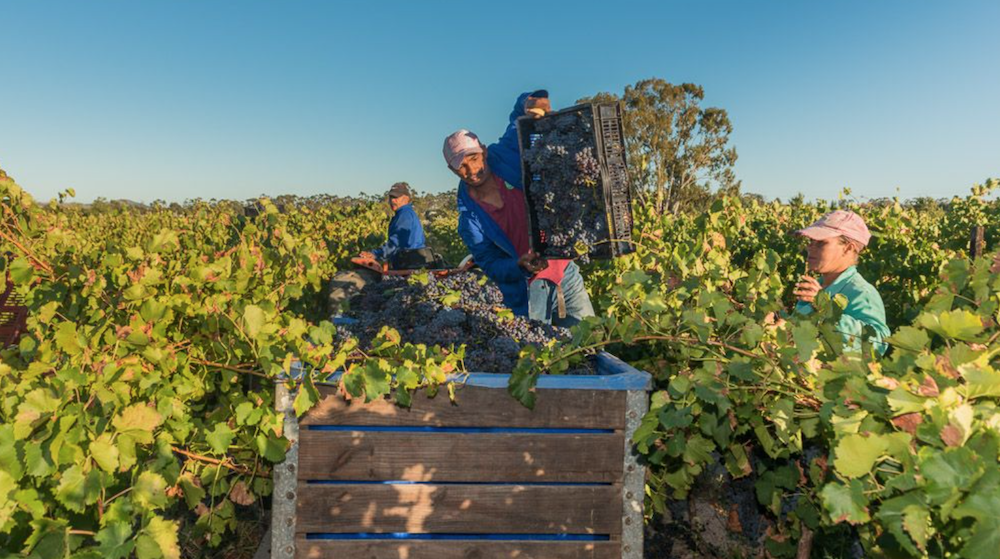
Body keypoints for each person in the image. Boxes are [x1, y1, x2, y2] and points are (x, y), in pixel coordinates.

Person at [443, 90, 595, 327]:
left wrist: (531, 101)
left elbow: (518, 116)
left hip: (565, 271)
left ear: (483, 151)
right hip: (529, 293)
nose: (471, 170)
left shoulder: (505, 155)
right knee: (543, 348)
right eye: (461, 166)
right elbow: (491, 265)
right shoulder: (469, 220)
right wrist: (518, 265)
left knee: (590, 339)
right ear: (452, 170)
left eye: (473, 158)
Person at [792, 210, 890, 354]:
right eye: (811, 241)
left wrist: (826, 310)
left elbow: (878, 343)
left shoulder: (861, 292)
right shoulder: (817, 287)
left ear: (848, 248)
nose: (810, 247)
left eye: (821, 243)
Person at [359, 182, 428, 270]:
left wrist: (375, 254)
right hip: (412, 262)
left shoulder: (404, 215)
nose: (392, 201)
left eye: (396, 197)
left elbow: (395, 243)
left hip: (409, 264)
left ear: (406, 198)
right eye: (391, 197)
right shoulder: (405, 214)